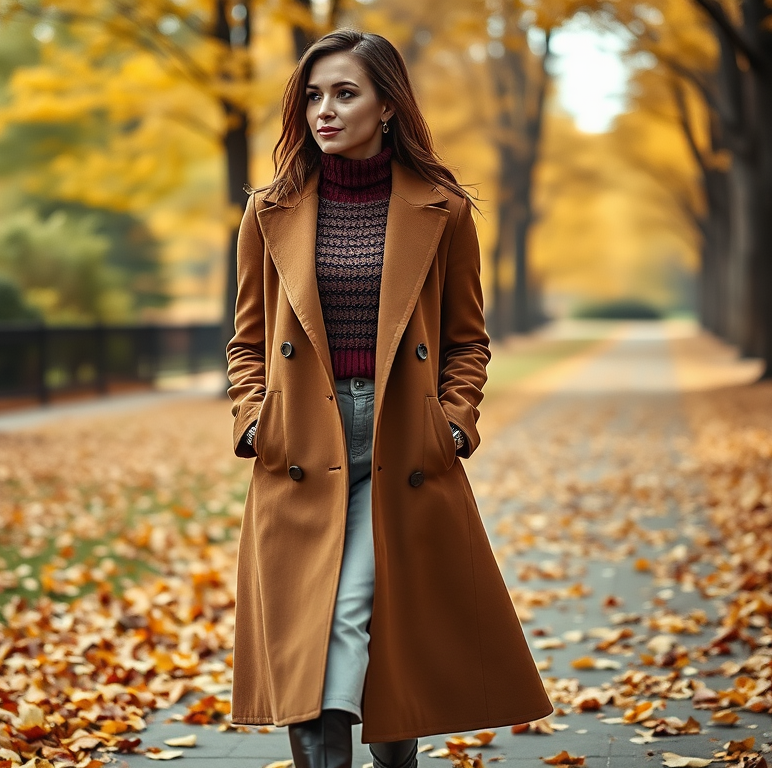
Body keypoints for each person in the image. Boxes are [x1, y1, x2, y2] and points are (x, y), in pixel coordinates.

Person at [225, 29, 553, 768]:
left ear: (388, 107)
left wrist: (454, 423)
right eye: (313, 96)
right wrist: (254, 418)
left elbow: (467, 339)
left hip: (403, 435)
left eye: (345, 94)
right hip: (303, 439)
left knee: (368, 612)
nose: (324, 111)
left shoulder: (443, 210)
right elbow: (248, 340)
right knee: (320, 620)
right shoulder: (269, 209)